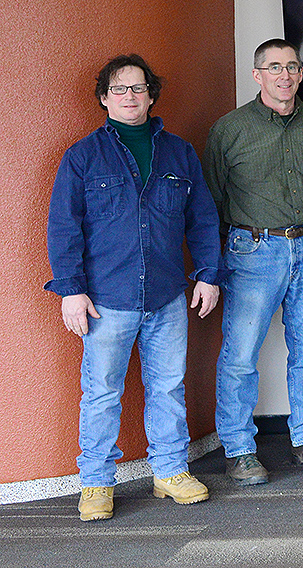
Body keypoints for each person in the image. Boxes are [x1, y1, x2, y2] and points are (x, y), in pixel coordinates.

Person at [45, 55, 222, 521]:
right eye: (119, 90)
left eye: (138, 89)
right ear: (104, 98)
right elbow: (64, 228)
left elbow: (201, 219)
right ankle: (96, 483)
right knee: (101, 392)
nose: (130, 97)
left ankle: (169, 471)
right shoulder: (82, 156)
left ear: (151, 95)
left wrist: (207, 273)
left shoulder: (180, 153)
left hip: (166, 296)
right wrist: (71, 290)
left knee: (168, 388)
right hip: (105, 300)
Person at [204, 39, 303, 485]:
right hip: (253, 251)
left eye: (293, 67)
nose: (286, 75)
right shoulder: (230, 128)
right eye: (275, 67)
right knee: (240, 355)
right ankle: (239, 449)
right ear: (257, 74)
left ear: (301, 74)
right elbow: (215, 196)